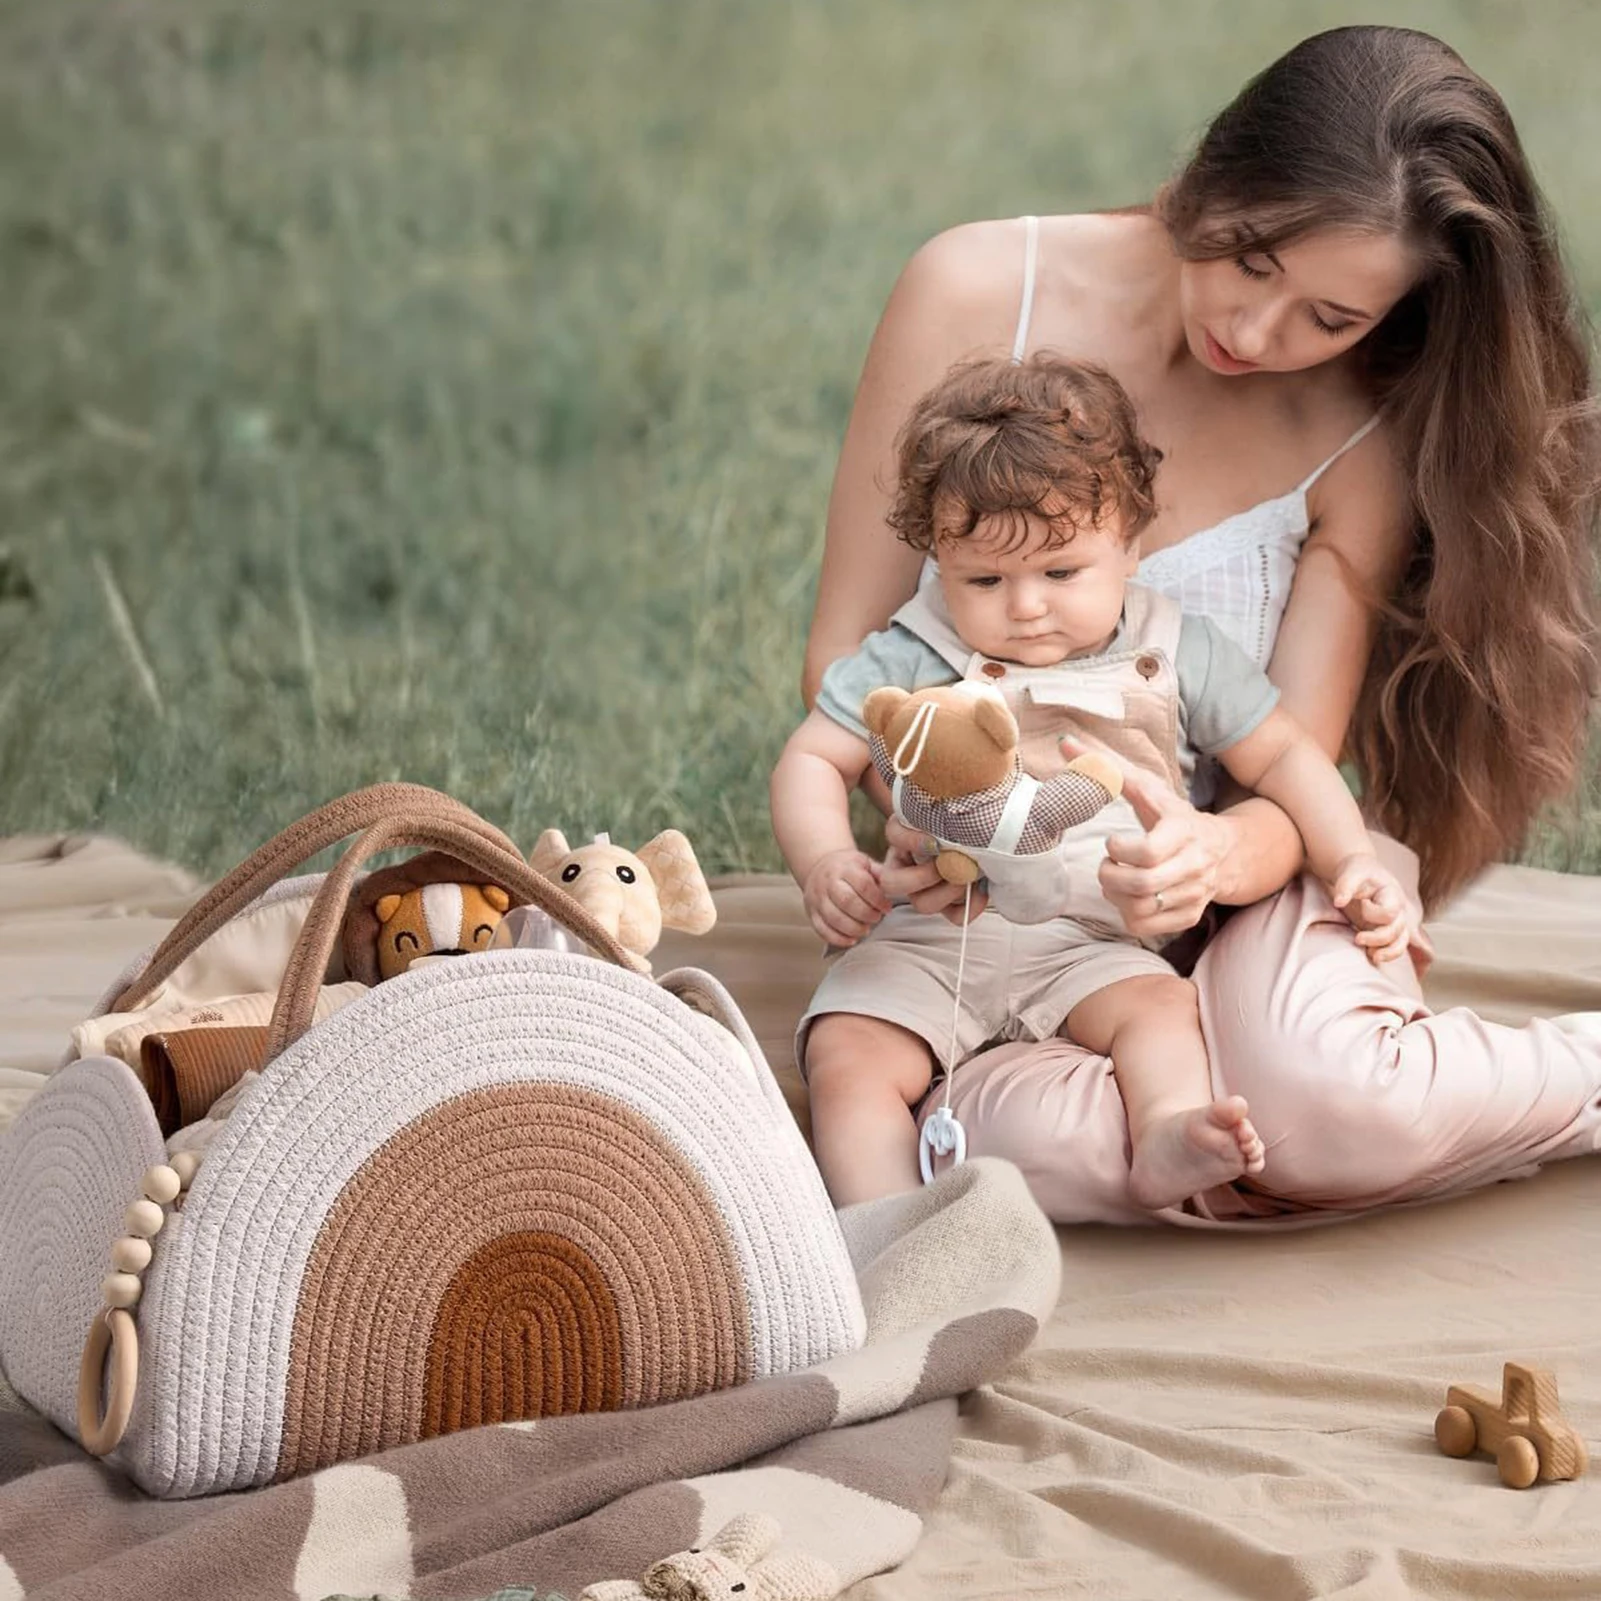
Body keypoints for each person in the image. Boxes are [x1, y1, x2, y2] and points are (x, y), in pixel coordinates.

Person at [800, 25, 1601, 1224]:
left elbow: (1287, 764)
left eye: (1329, 316)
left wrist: (1212, 857)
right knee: (1000, 1142)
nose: (1258, 332)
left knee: (1330, 1104)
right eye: (1250, 256)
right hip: (1006, 906)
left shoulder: (1353, 435)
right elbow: (848, 651)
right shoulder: (975, 289)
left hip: (1253, 884)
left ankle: (1472, 1082)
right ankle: (1242, 1127)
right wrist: (919, 816)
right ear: (1217, 167)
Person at [773, 353, 1414, 1209]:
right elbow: (814, 756)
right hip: (932, 933)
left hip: (1096, 939)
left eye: (1059, 572)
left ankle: (1166, 1134)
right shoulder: (915, 647)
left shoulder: (1175, 647)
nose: (1025, 606)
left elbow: (1287, 758)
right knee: (847, 1053)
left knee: (1159, 1015)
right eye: (985, 580)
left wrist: (1348, 863)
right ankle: (884, 1229)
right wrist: (823, 860)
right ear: (938, 559)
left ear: (1131, 542)